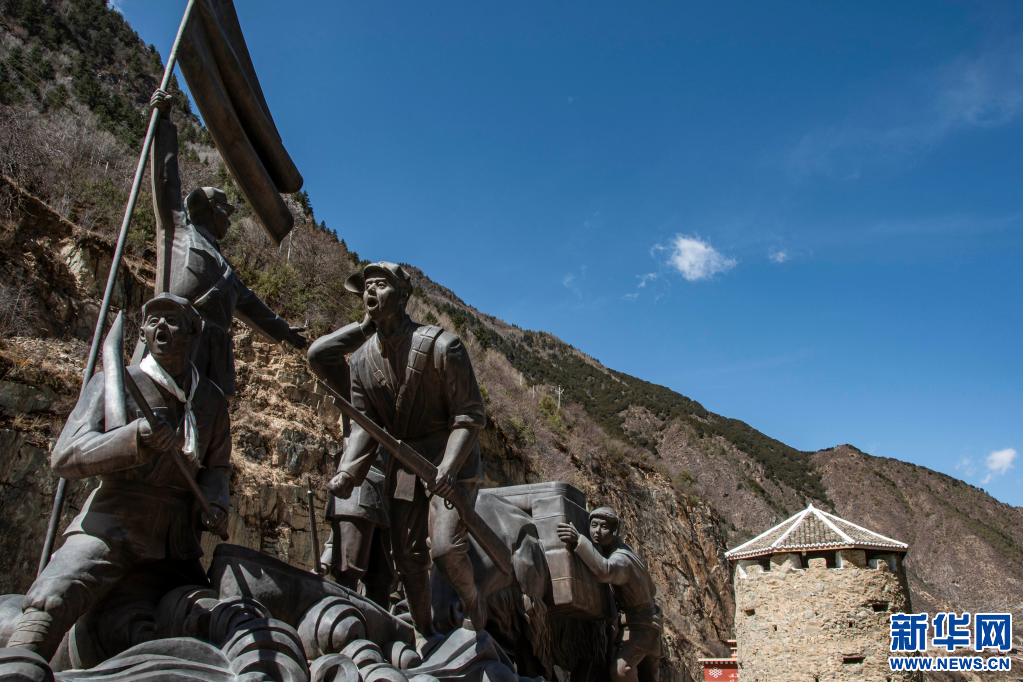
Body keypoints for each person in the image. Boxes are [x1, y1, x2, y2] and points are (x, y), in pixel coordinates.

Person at [6, 294, 231, 660]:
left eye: (172, 319)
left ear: (193, 332)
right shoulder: (114, 382)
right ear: (142, 333)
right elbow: (65, 456)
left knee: (216, 625)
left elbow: (217, 467)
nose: (161, 326)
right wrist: (133, 438)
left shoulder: (212, 400)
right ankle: (18, 665)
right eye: (153, 320)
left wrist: (216, 503)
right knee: (52, 599)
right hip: (111, 523)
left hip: (176, 546)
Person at [326, 262, 487, 647]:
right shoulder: (360, 361)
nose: (370, 291)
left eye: (380, 284)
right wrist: (349, 473)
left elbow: (469, 415)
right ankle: (425, 632)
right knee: (407, 558)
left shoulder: (443, 347)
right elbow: (366, 425)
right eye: (367, 286)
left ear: (402, 295)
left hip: (451, 460)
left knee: (445, 549)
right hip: (404, 466)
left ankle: (473, 602)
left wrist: (448, 466)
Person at [147, 89, 306, 397]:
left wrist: (283, 331)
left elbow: (250, 305)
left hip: (213, 354)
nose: (230, 221)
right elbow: (166, 182)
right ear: (212, 210)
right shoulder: (178, 231)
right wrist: (163, 123)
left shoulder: (225, 271)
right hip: (177, 341)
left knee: (209, 417)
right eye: (227, 212)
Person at [307, 316, 394, 606]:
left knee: (383, 585)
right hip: (358, 489)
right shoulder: (357, 386)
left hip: (394, 499)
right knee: (346, 576)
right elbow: (319, 355)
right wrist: (365, 328)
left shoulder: (408, 395)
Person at [557, 508, 663, 682]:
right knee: (648, 676)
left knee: (621, 671)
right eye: (594, 525)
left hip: (642, 625)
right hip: (641, 622)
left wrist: (579, 541)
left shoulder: (622, 559)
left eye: (604, 527)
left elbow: (605, 571)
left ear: (614, 531)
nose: (597, 531)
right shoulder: (617, 551)